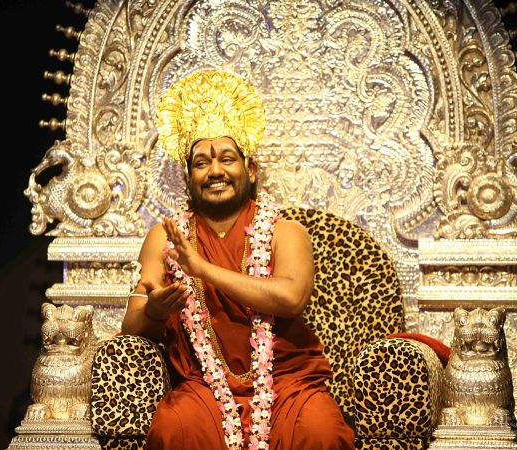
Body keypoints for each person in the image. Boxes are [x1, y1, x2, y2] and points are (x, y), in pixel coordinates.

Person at [121, 70, 355, 450]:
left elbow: (291, 298)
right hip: (203, 388)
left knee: (321, 432)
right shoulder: (165, 237)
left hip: (287, 385)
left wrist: (203, 270)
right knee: (173, 430)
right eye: (201, 163)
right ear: (188, 177)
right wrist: (156, 310)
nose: (215, 171)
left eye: (227, 159)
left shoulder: (285, 232)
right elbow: (132, 325)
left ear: (251, 170)